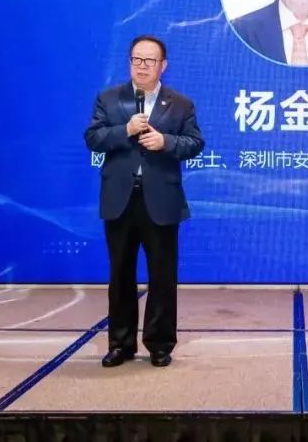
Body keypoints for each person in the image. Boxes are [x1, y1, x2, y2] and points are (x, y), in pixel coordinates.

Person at [84, 35, 204, 368]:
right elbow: (93, 138)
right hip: (120, 199)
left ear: (163, 65)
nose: (142, 66)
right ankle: (120, 344)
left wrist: (166, 142)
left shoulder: (180, 104)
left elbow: (195, 143)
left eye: (149, 61)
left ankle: (160, 344)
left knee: (162, 276)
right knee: (120, 275)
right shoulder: (109, 99)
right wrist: (125, 130)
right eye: (136, 59)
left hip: (161, 200)